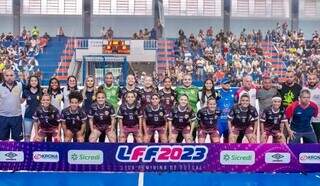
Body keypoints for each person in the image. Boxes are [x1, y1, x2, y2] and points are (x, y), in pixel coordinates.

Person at [0, 69, 24, 141]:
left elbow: (28, 93)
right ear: (4, 76)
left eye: (11, 75)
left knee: (17, 140)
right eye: (7, 75)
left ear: (15, 76)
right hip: (3, 116)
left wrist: (22, 100)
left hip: (16, 117)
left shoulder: (20, 85)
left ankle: (17, 152)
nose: (9, 77)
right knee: (4, 140)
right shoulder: (0, 87)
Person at [21, 75, 42, 141]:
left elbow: (44, 103)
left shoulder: (41, 91)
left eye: (35, 81)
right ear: (29, 82)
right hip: (28, 116)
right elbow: (21, 101)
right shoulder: (25, 91)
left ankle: (37, 150)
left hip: (39, 117)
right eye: (32, 81)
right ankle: (26, 150)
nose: (33, 82)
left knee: (39, 137)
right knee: (27, 136)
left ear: (38, 82)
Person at [216, 78, 237, 143]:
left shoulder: (233, 91)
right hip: (219, 121)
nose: (227, 84)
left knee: (228, 140)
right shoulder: (217, 92)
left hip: (229, 121)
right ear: (221, 84)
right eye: (225, 83)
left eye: (228, 83)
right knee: (216, 140)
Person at [82, 76, 97, 142]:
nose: (90, 82)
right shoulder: (82, 92)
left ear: (94, 82)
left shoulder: (96, 93)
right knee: (85, 133)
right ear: (86, 82)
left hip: (94, 116)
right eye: (88, 81)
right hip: (85, 116)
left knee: (93, 134)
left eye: (91, 81)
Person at [305, 73, 320, 142]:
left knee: (317, 139)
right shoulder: (303, 90)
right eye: (310, 79)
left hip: (317, 120)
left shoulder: (319, 91)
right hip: (305, 121)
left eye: (313, 79)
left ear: (317, 80)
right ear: (307, 80)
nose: (311, 80)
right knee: (307, 141)